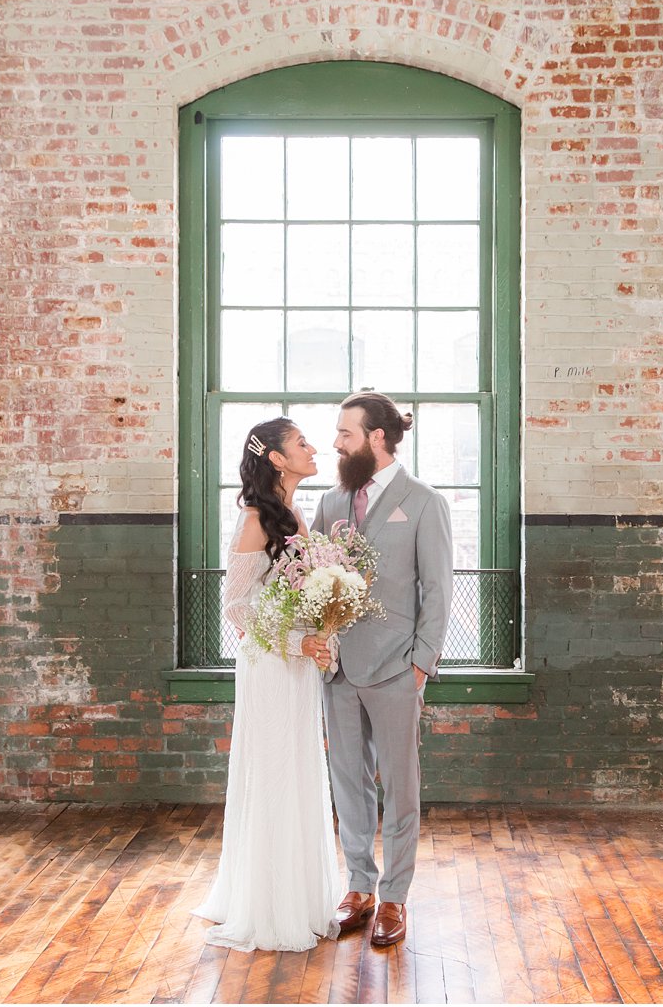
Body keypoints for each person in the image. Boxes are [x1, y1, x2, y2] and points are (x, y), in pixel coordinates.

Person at [191, 417, 343, 952]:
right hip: (273, 664)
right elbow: (235, 604)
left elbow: (310, 594)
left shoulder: (295, 515)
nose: (313, 446)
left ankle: (301, 899)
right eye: (302, 442)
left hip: (299, 664)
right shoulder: (255, 520)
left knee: (300, 770)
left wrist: (323, 636)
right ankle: (269, 908)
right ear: (276, 459)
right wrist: (297, 642)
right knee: (276, 769)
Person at [312, 391, 453, 948]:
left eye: (344, 434)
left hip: (397, 669)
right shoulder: (331, 502)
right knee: (347, 782)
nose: (335, 444)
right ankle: (359, 886)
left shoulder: (424, 503)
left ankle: (394, 895)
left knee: (400, 786)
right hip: (339, 667)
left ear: (376, 438)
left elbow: (438, 590)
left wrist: (421, 664)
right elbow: (313, 582)